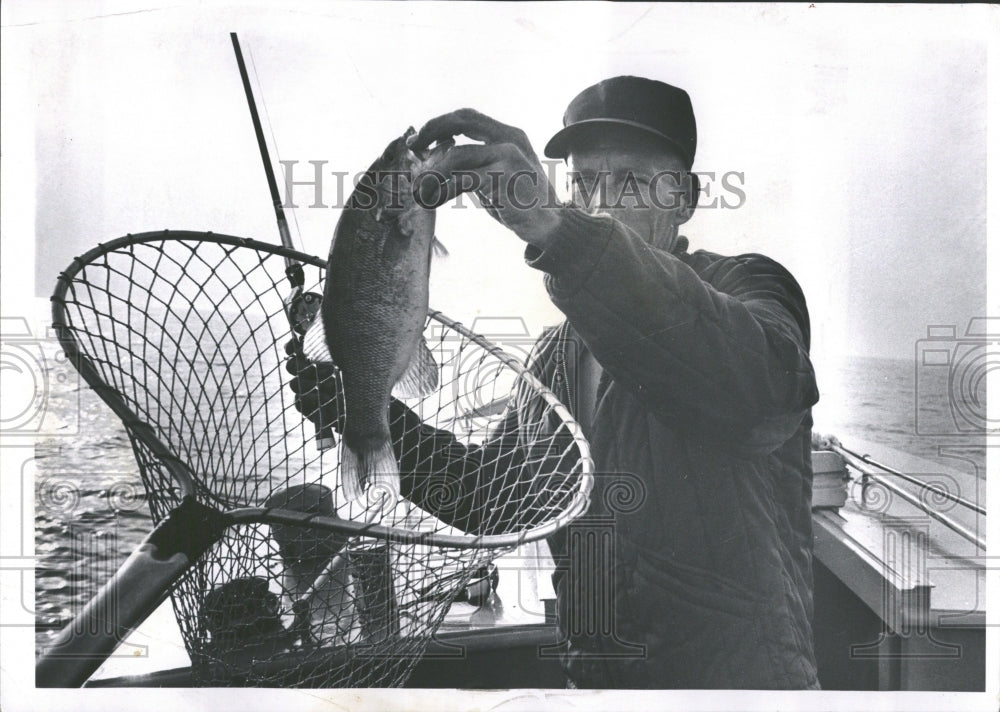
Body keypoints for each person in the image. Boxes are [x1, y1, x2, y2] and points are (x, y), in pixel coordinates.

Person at [287, 76, 820, 689]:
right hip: (595, 682)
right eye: (585, 183)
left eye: (629, 181)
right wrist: (367, 411)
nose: (602, 205)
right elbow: (496, 497)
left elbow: (758, 394)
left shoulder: (752, 290)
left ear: (685, 197)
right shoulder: (556, 357)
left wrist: (563, 233)